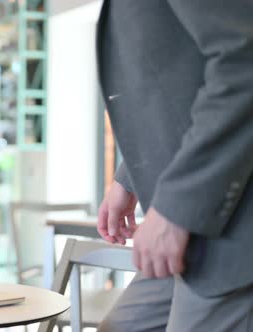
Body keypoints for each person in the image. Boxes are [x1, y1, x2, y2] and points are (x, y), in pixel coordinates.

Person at [95, 0, 253, 331]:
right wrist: (128, 178)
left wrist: (175, 211)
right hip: (200, 224)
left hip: (233, 223)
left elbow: (244, 62)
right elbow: (179, 86)